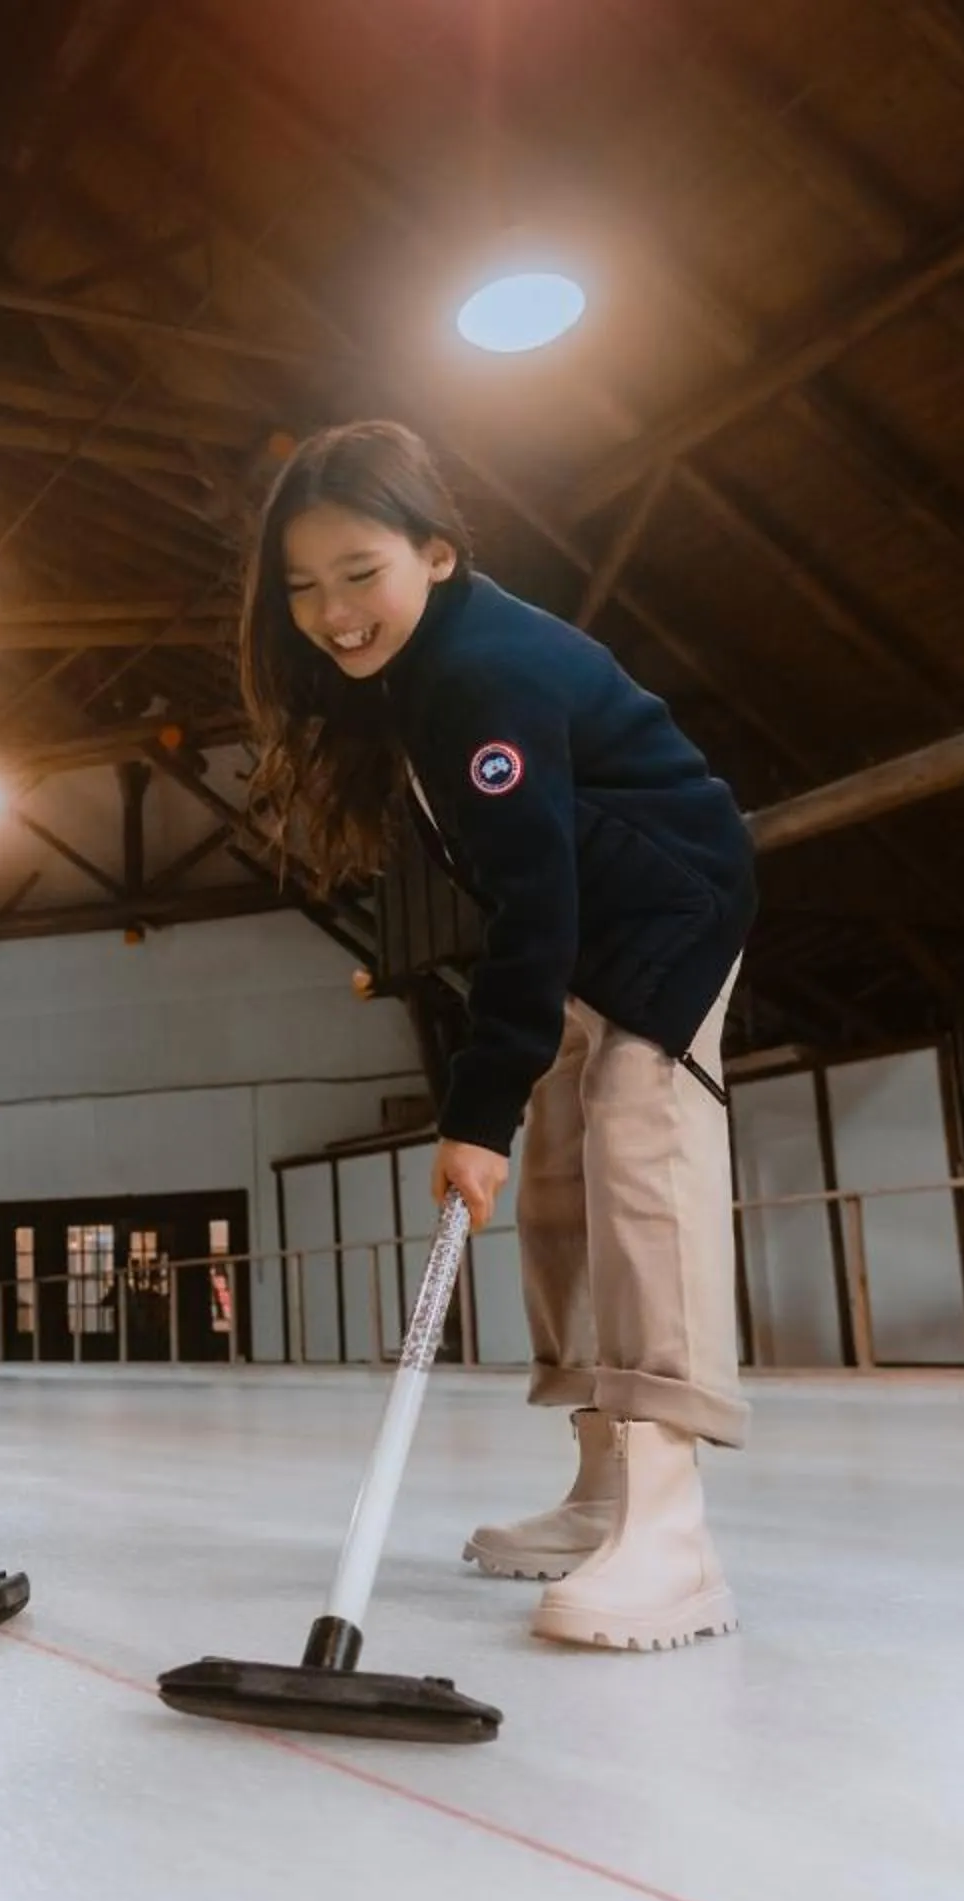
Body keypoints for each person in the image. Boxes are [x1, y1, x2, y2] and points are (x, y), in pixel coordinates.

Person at [241, 420, 757, 1652]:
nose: (332, 611)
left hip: (669, 913)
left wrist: (478, 1110)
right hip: (590, 923)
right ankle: (601, 1497)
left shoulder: (484, 674)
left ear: (438, 551)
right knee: (566, 1194)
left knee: (640, 1168)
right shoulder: (417, 674)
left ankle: (676, 1537)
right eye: (303, 587)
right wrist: (513, 1103)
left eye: (360, 572)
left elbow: (538, 897)